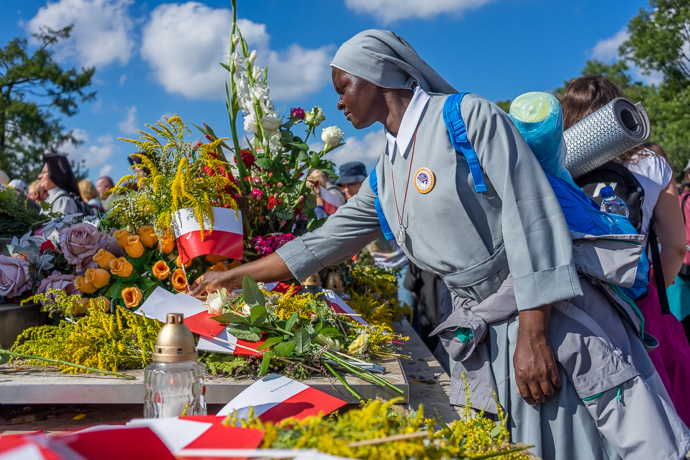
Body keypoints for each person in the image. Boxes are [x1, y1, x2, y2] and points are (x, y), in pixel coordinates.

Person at [191, 30, 690, 458]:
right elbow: (325, 241)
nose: (338, 102)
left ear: (381, 74)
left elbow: (530, 213)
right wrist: (235, 276)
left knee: (568, 440)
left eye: (344, 86)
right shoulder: (387, 173)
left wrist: (534, 332)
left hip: (544, 316)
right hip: (486, 329)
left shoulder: (467, 119)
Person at [561, 76, 690, 427]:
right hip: (642, 301)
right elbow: (677, 246)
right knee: (664, 415)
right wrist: (643, 293)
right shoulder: (651, 162)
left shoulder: (557, 167)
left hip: (579, 304)